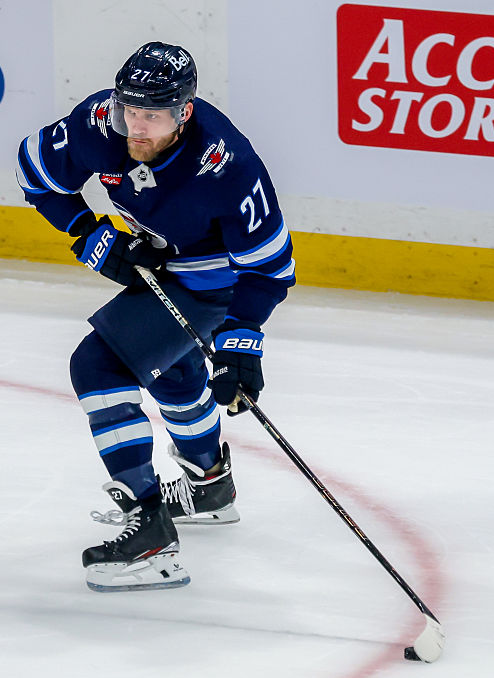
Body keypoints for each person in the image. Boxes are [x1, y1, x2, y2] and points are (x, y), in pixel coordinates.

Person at [15, 42, 295, 592]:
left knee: (100, 366)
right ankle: (208, 486)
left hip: (214, 283)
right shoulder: (101, 125)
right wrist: (88, 233)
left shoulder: (228, 166)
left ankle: (150, 536)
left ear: (184, 112)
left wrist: (242, 339)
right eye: (130, 111)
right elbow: (34, 170)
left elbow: (268, 269)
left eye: (153, 115)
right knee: (172, 370)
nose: (136, 128)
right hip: (161, 265)